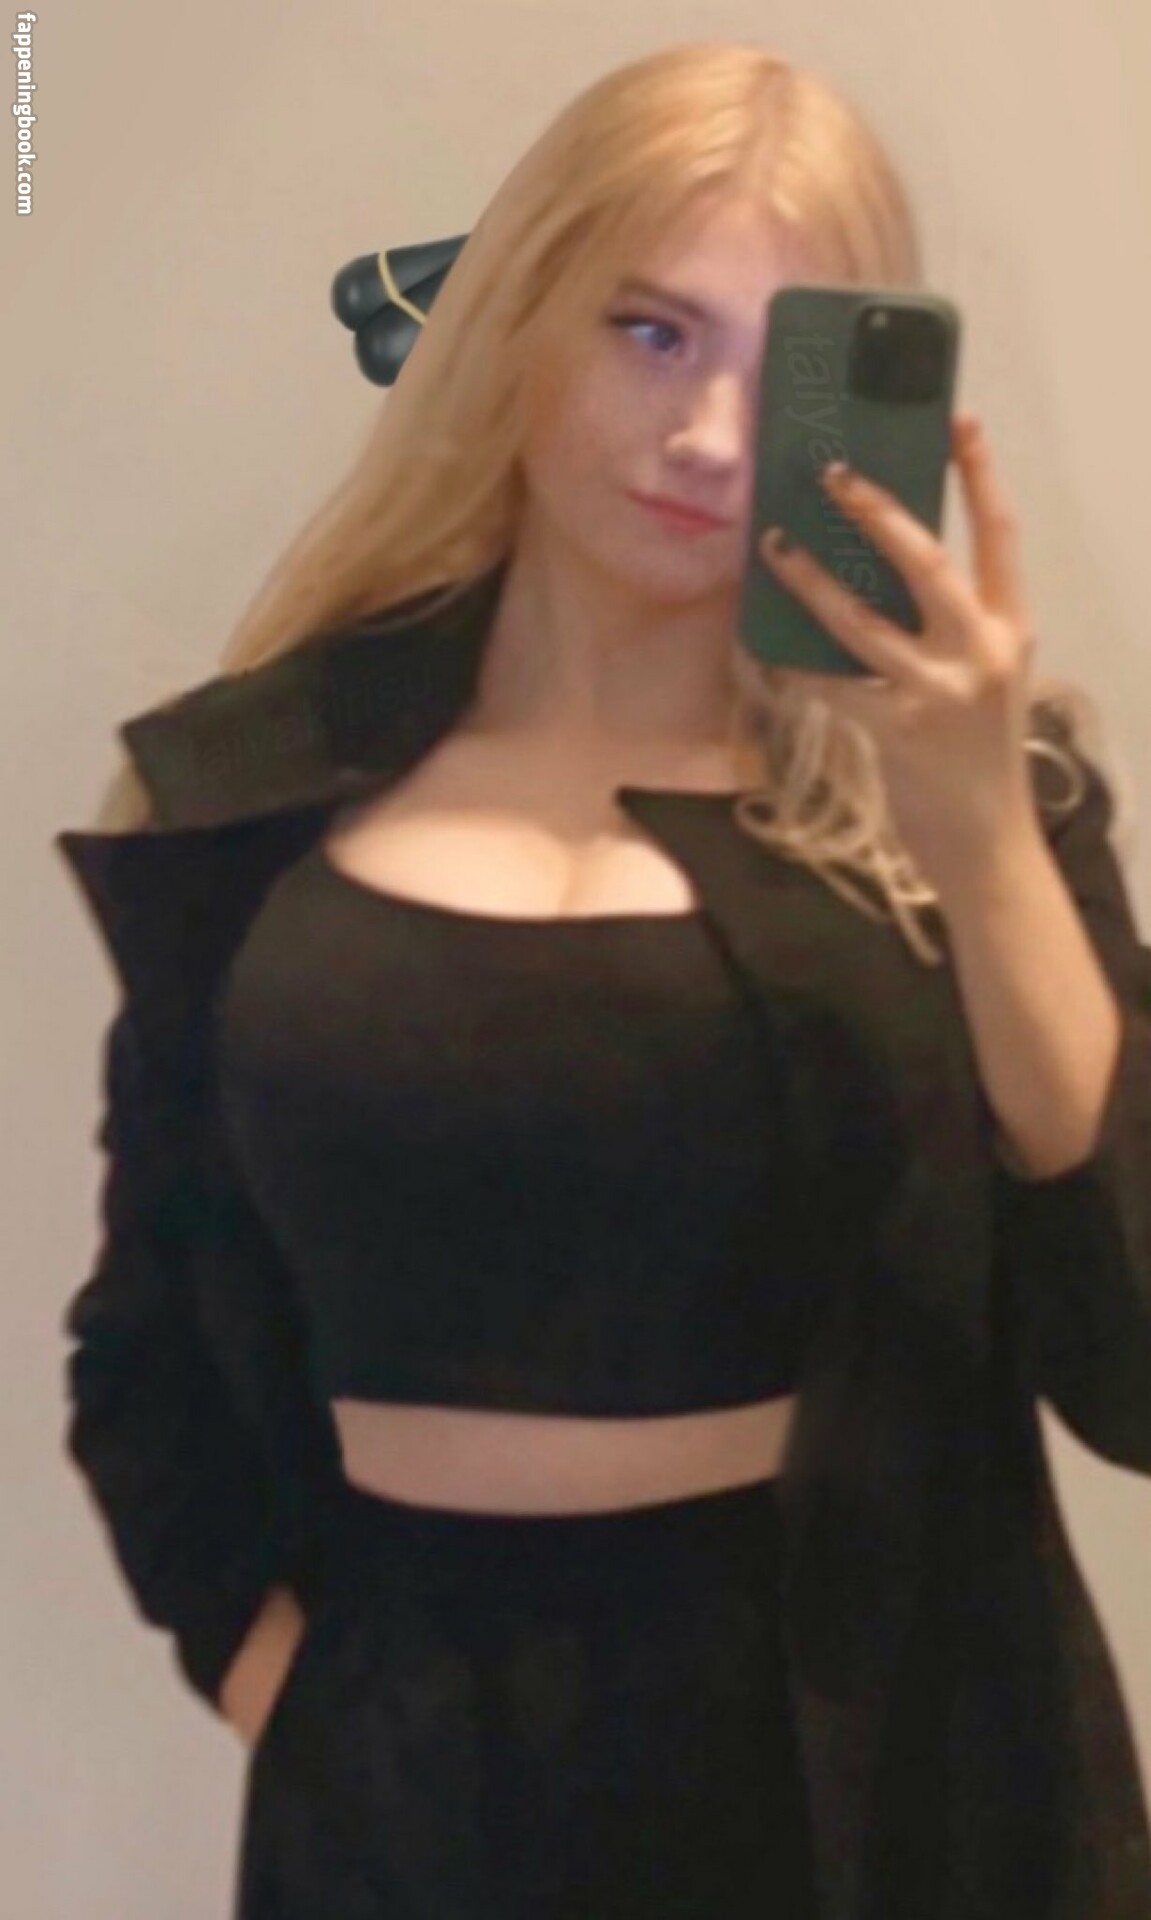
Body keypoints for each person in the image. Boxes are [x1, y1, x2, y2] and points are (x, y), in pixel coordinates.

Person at [54, 38, 1151, 1920]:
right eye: (651, 332)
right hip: (407, 1774)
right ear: (518, 321)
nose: (710, 436)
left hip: (874, 1775)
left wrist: (979, 838)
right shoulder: (256, 796)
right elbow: (145, 1342)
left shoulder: (972, 802)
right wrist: (280, 1687)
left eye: (781, 365)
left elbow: (1136, 1363)